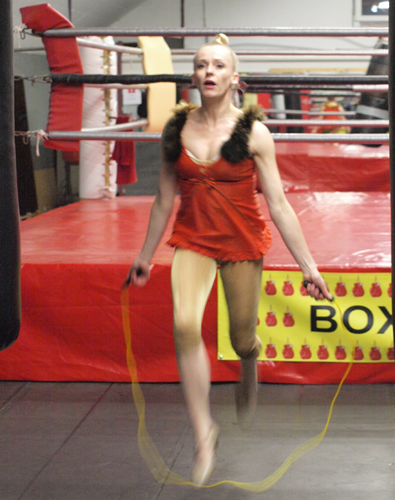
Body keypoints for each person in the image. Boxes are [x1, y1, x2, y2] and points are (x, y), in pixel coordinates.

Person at [127, 34, 332, 485]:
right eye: (202, 65)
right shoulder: (176, 129)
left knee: (241, 339)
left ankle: (249, 359)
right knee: (184, 325)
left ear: (235, 78)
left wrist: (309, 267)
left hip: (241, 243)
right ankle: (204, 433)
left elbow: (278, 204)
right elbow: (163, 199)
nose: (209, 72)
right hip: (193, 240)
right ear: (193, 75)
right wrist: (144, 256)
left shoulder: (254, 133)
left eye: (218, 65)